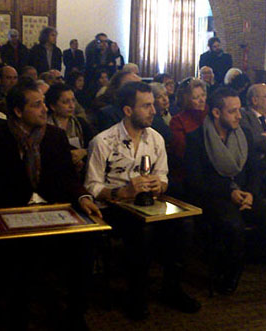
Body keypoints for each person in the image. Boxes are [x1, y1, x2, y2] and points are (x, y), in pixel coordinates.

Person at [0, 78, 101, 329]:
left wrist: (83, 197)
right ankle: (17, 312)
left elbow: (68, 178)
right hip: (13, 212)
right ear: (18, 111)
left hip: (52, 209)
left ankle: (76, 311)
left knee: (86, 242)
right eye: (37, 104)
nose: (44, 109)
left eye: (44, 103)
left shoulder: (55, 137)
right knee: (19, 254)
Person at [84, 81, 200, 319]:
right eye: (146, 106)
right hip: (114, 205)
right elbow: (91, 186)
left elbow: (163, 175)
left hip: (149, 203)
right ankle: (135, 293)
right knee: (141, 231)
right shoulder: (103, 141)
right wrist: (120, 192)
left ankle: (172, 287)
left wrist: (160, 184)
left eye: (153, 105)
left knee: (184, 224)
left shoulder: (155, 139)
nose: (154, 111)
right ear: (128, 110)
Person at [184, 87, 266, 294]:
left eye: (239, 110)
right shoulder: (197, 138)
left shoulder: (244, 134)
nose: (239, 116)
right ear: (216, 112)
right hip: (215, 196)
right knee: (233, 225)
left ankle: (245, 257)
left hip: (244, 193)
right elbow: (196, 181)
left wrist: (251, 193)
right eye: (232, 111)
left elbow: (254, 170)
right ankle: (228, 272)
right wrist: (229, 192)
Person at [46, 83, 95, 175]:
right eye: (65, 102)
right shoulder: (45, 127)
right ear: (53, 106)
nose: (71, 106)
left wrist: (84, 152)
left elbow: (95, 144)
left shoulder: (80, 123)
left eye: (73, 100)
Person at [169, 78, 207, 165]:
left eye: (203, 95)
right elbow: (182, 152)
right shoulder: (177, 122)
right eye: (196, 98)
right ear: (185, 100)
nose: (202, 100)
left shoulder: (211, 115)